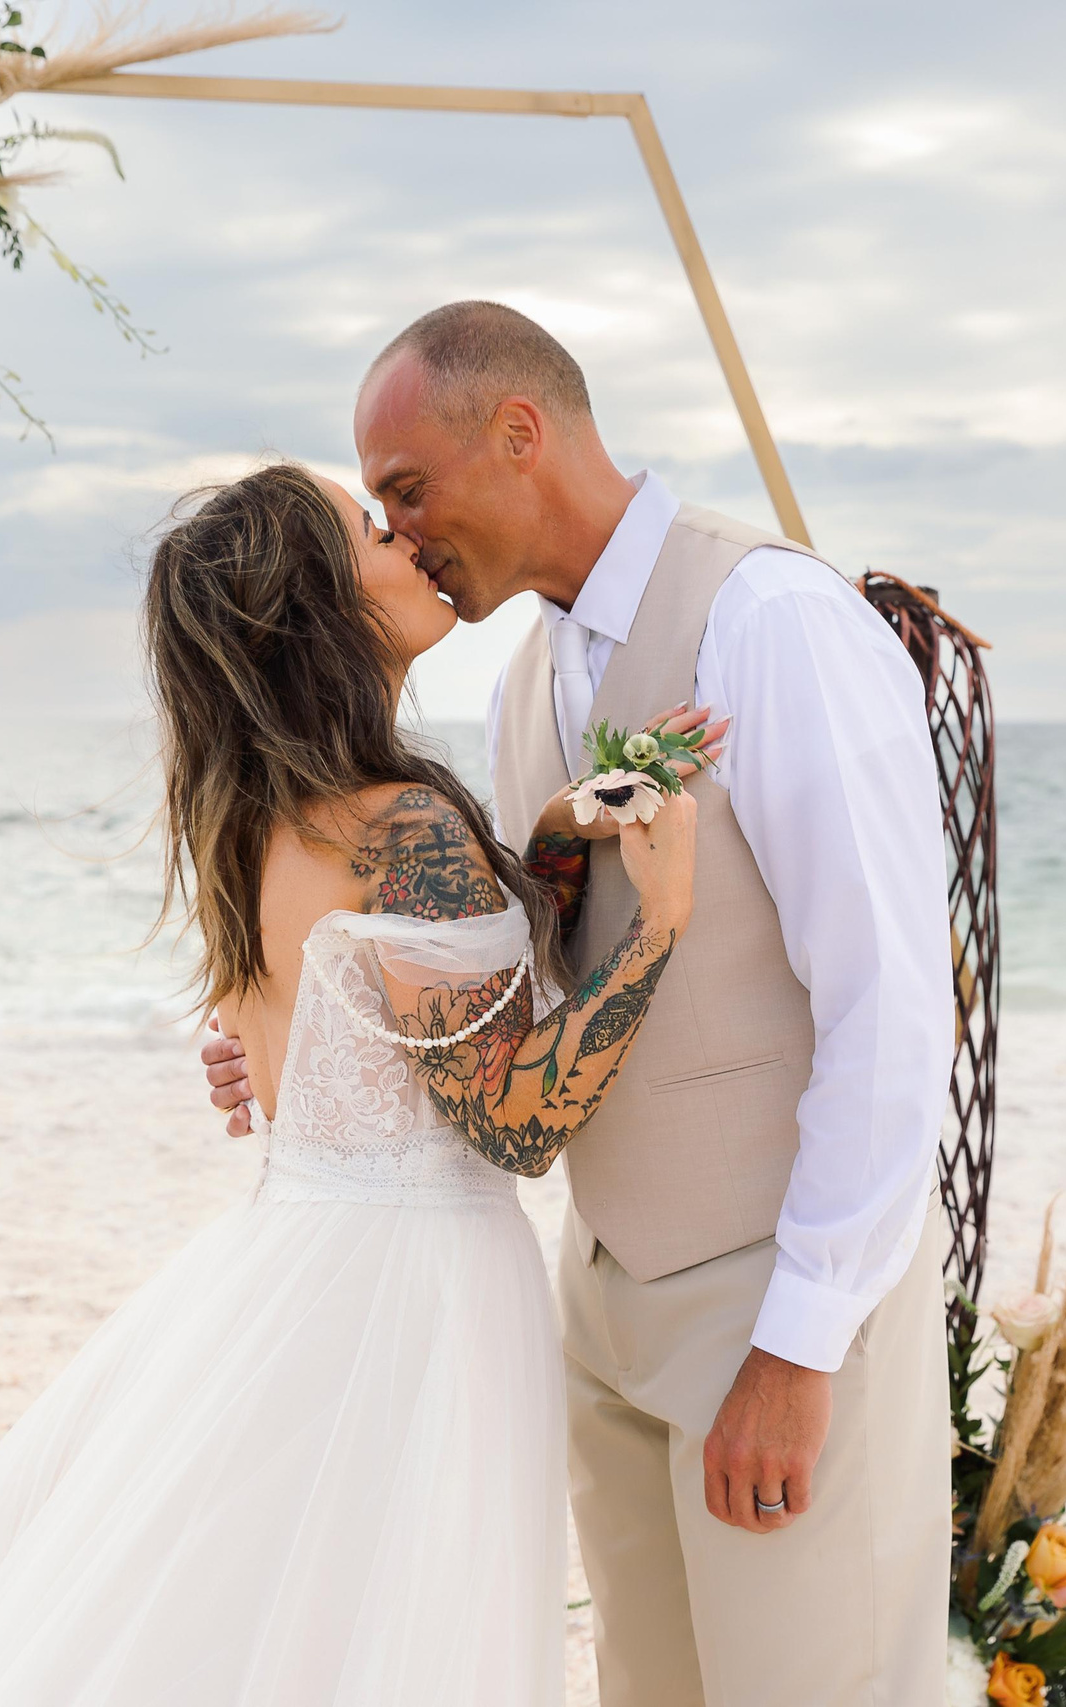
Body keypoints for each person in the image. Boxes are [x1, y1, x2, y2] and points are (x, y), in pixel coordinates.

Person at [0, 462, 700, 1706]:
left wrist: (546, 843)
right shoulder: (399, 828)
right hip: (406, 1298)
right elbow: (513, 1119)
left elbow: (389, 1029)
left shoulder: (266, 825)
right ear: (319, 601)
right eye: (371, 530)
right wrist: (659, 927)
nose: (407, 539)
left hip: (303, 1264)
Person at [203, 302, 955, 1705]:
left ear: (522, 433)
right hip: (596, 1299)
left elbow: (894, 1008)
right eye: (378, 511)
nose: (404, 530)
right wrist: (318, 1035)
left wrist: (799, 1345)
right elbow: (510, 980)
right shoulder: (528, 677)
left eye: (407, 491)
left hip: (767, 1302)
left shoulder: (775, 620)